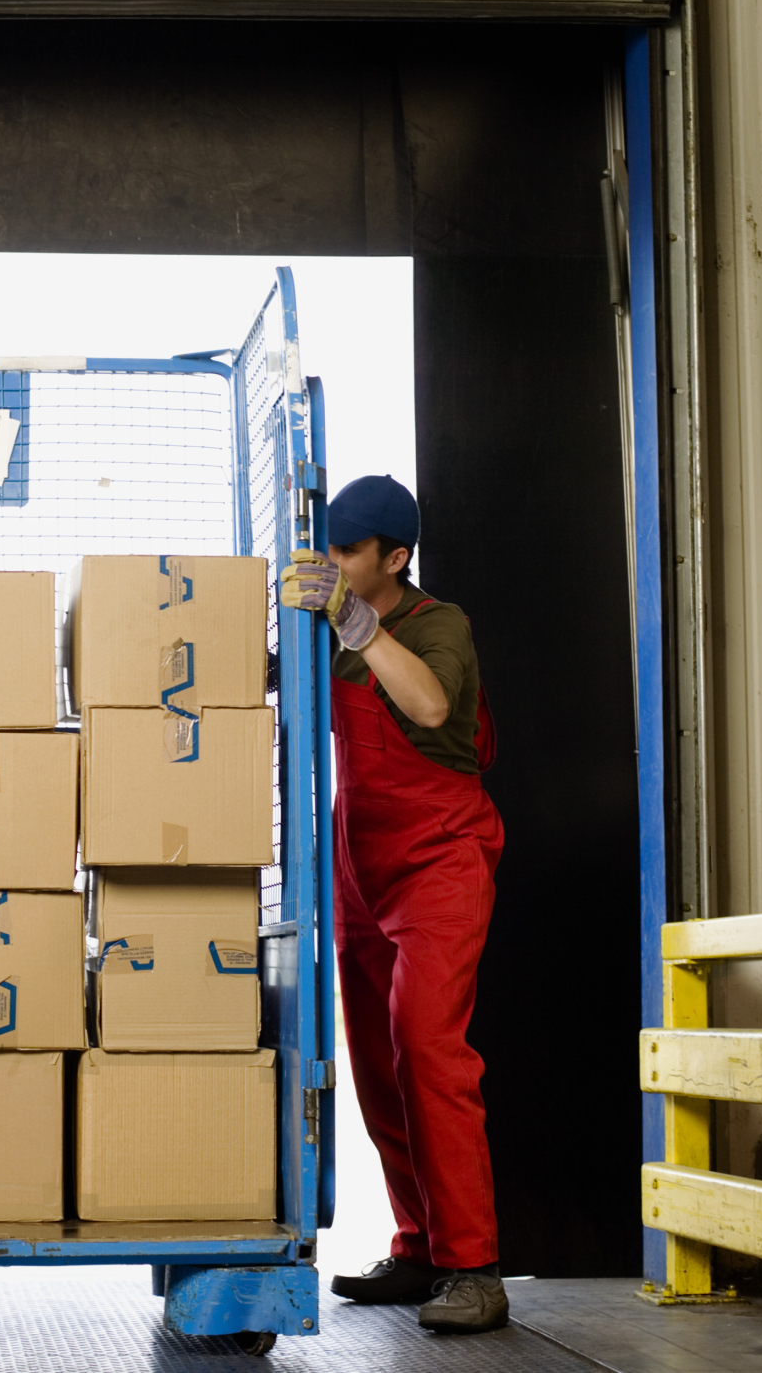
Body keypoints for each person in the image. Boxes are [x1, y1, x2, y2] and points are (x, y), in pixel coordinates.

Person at [279, 473, 508, 1334]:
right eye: (326, 549)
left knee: (428, 1049)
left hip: (438, 861)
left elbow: (430, 701)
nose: (332, 564)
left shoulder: (435, 625)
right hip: (356, 868)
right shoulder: (330, 630)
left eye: (347, 552)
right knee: (375, 1062)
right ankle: (418, 1248)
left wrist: (354, 622)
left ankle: (475, 1267)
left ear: (394, 557)